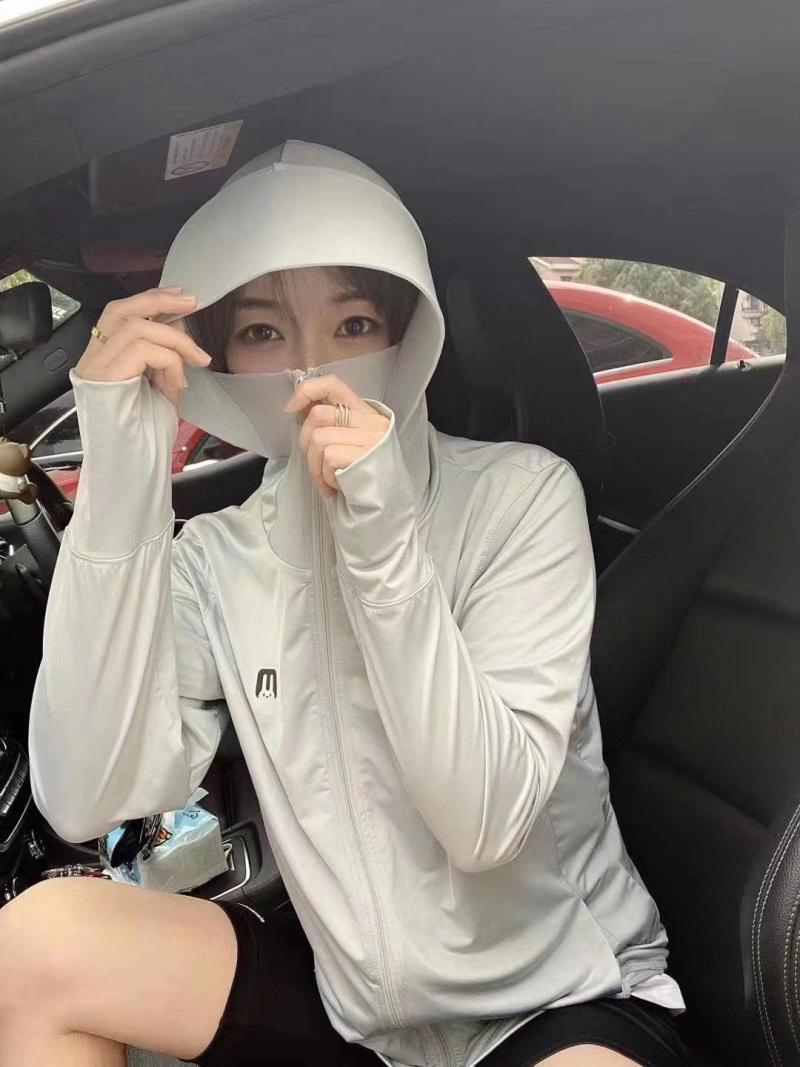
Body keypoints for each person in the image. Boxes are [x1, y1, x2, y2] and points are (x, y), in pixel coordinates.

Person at [0, 140, 689, 1067]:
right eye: (263, 333)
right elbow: (91, 796)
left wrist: (383, 546)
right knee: (39, 944)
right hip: (360, 1021)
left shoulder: (522, 498)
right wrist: (123, 488)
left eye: (354, 323)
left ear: (408, 338)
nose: (311, 372)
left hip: (560, 1001)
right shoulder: (218, 557)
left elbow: (485, 824)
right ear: (220, 357)